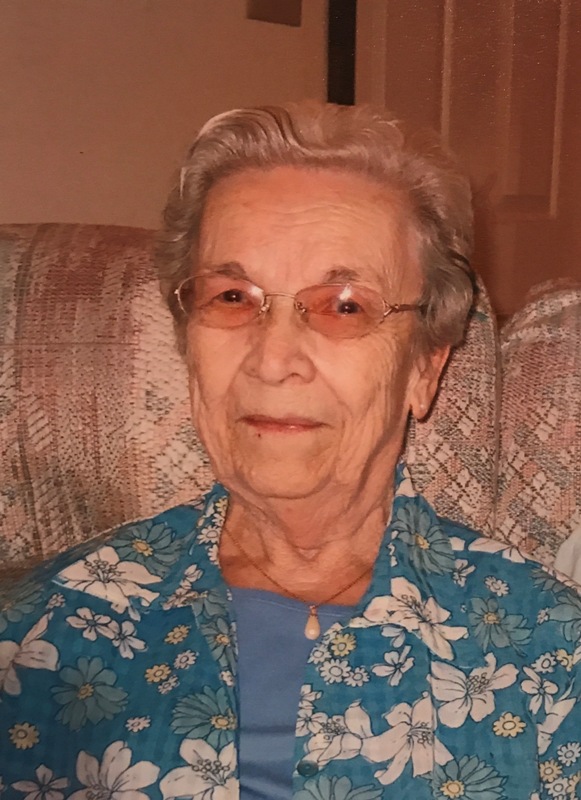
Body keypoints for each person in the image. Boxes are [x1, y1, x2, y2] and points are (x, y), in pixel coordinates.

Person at [0, 102, 580, 800]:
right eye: (232, 297)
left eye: (344, 305)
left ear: (423, 369)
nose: (272, 360)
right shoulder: (42, 635)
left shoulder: (549, 651)